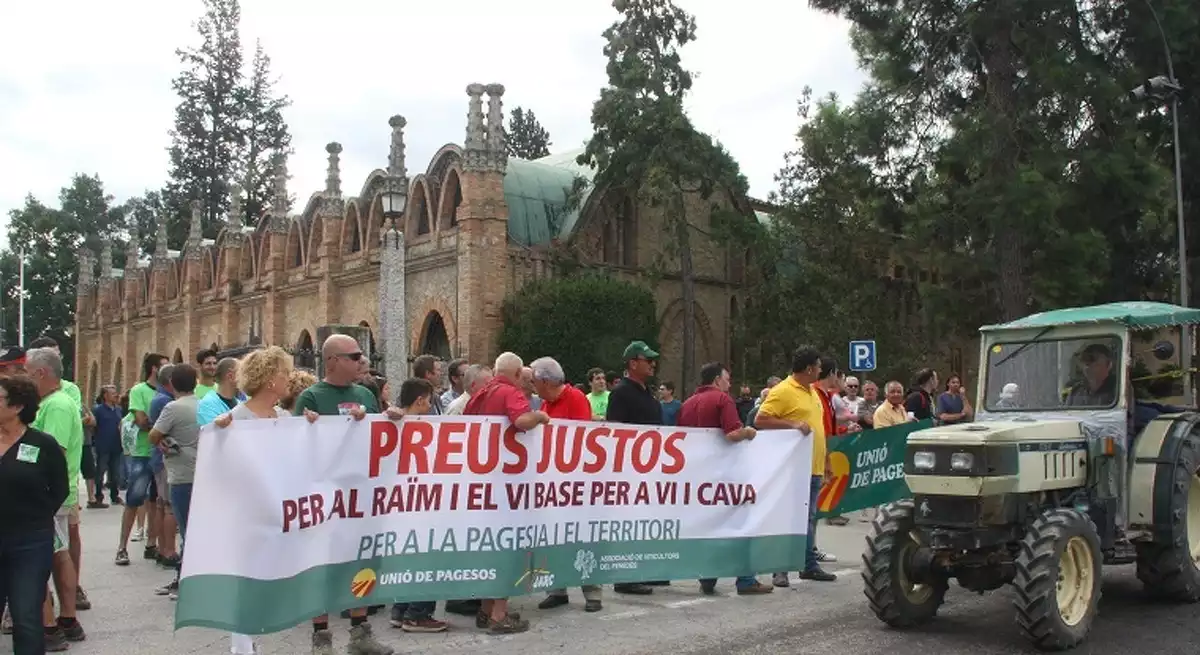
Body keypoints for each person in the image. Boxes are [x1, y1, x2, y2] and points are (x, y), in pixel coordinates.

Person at [292, 334, 395, 655]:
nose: (361, 360)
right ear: (333, 360)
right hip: (326, 499)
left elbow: (380, 440)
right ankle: (321, 638)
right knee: (323, 567)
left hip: (362, 498)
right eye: (354, 355)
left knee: (362, 563)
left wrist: (392, 419)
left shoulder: (365, 393)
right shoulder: (310, 397)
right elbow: (295, 448)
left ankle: (359, 633)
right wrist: (309, 426)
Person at [211, 346, 296, 655]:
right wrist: (219, 433)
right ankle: (242, 645)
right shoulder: (236, 418)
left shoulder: (284, 416)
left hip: (276, 509)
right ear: (270, 379)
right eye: (284, 373)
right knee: (245, 578)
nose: (289, 379)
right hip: (246, 512)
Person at [465, 352, 549, 634]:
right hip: (506, 484)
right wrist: (540, 416)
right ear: (515, 375)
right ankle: (499, 616)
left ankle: (485, 610)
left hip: (482, 482)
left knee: (488, 548)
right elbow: (521, 422)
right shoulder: (510, 392)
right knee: (507, 548)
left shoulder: (480, 394)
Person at [679, 362, 773, 596]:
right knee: (742, 523)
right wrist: (749, 432)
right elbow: (732, 433)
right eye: (727, 379)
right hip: (725, 476)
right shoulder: (723, 400)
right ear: (717, 380)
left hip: (698, 477)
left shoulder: (687, 404)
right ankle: (746, 578)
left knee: (709, 526)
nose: (729, 384)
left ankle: (708, 576)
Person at [755, 346, 837, 586]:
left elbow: (818, 429)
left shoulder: (812, 392)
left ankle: (808, 565)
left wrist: (827, 459)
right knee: (788, 518)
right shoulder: (783, 391)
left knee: (809, 518)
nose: (821, 371)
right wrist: (791, 425)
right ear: (810, 368)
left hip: (813, 465)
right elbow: (761, 419)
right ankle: (780, 568)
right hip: (792, 468)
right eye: (819, 367)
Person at [0, 375, 69, 655]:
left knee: (27, 615)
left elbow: (60, 488)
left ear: (17, 406)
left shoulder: (42, 444)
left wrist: (36, 516)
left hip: (29, 540)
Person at [529, 357, 604, 612]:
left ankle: (593, 593)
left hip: (575, 483)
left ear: (545, 381)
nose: (532, 385)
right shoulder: (545, 404)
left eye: (535, 381)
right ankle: (557, 589)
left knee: (582, 536)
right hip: (552, 483)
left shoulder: (575, 398)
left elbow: (581, 437)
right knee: (553, 536)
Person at [25, 347, 87, 646]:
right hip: (54, 493)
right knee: (57, 552)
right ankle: (66, 619)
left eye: (27, 372)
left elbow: (55, 452)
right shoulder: (52, 403)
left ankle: (61, 620)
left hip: (52, 494)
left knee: (54, 555)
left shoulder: (58, 406)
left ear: (40, 373)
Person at [386, 378, 450, 634]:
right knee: (428, 554)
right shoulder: (408, 424)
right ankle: (418, 614)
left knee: (407, 555)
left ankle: (400, 610)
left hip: (404, 502)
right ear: (421, 400)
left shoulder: (395, 423)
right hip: (421, 501)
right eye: (429, 400)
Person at [606, 341, 669, 594]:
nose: (653, 364)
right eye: (648, 360)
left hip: (650, 468)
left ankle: (645, 569)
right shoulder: (621, 393)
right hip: (631, 470)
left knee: (646, 520)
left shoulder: (647, 391)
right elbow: (615, 430)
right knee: (629, 521)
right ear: (633, 363)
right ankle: (625, 577)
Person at [148, 364, 201, 601]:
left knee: (186, 529)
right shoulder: (203, 404)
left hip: (181, 474)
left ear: (172, 384)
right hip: (202, 472)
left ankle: (185, 581)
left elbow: (153, 435)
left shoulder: (173, 407)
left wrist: (166, 441)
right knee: (197, 528)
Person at [116, 353, 169, 567]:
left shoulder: (168, 391)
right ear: (154, 369)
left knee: (159, 501)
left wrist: (157, 423)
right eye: (165, 366)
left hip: (160, 453)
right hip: (142, 452)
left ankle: (152, 544)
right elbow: (140, 420)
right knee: (134, 498)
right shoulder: (139, 390)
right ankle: (122, 547)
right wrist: (161, 426)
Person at [91, 386, 123, 506]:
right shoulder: (98, 410)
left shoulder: (118, 410)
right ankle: (98, 496)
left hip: (116, 445)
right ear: (105, 396)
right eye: (112, 393)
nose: (116, 395)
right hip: (103, 445)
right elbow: (94, 426)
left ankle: (115, 496)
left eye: (116, 393)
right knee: (100, 471)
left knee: (115, 473)